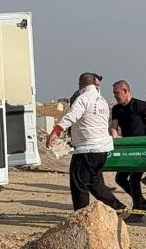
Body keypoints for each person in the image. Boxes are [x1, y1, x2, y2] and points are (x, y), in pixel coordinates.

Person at [46, 73, 125, 211]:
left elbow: (71, 116)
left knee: (78, 184)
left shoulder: (83, 98)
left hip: (87, 149)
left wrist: (55, 131)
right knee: (95, 184)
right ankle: (118, 208)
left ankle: (80, 215)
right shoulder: (102, 100)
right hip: (102, 150)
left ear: (80, 84)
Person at [109, 80, 146, 222]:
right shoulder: (116, 109)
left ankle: (138, 212)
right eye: (114, 93)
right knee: (120, 178)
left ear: (125, 91)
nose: (115, 96)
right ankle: (142, 202)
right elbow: (114, 127)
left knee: (134, 179)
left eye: (117, 93)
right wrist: (115, 141)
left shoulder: (140, 105)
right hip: (127, 149)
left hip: (141, 149)